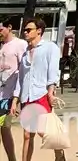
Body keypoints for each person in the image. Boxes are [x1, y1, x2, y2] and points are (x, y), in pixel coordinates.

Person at [16, 19, 60, 161]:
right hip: (26, 97)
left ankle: (60, 155)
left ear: (39, 30)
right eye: (25, 30)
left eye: (29, 30)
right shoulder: (24, 54)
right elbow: (21, 78)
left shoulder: (50, 47)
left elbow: (53, 71)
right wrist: (15, 99)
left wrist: (51, 91)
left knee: (44, 132)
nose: (25, 32)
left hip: (41, 94)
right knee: (27, 134)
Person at [0, 22, 27, 161]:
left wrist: (17, 98)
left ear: (9, 27)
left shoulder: (20, 44)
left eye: (1, 29)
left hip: (9, 94)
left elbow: (22, 72)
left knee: (4, 127)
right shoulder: (1, 45)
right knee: (4, 130)